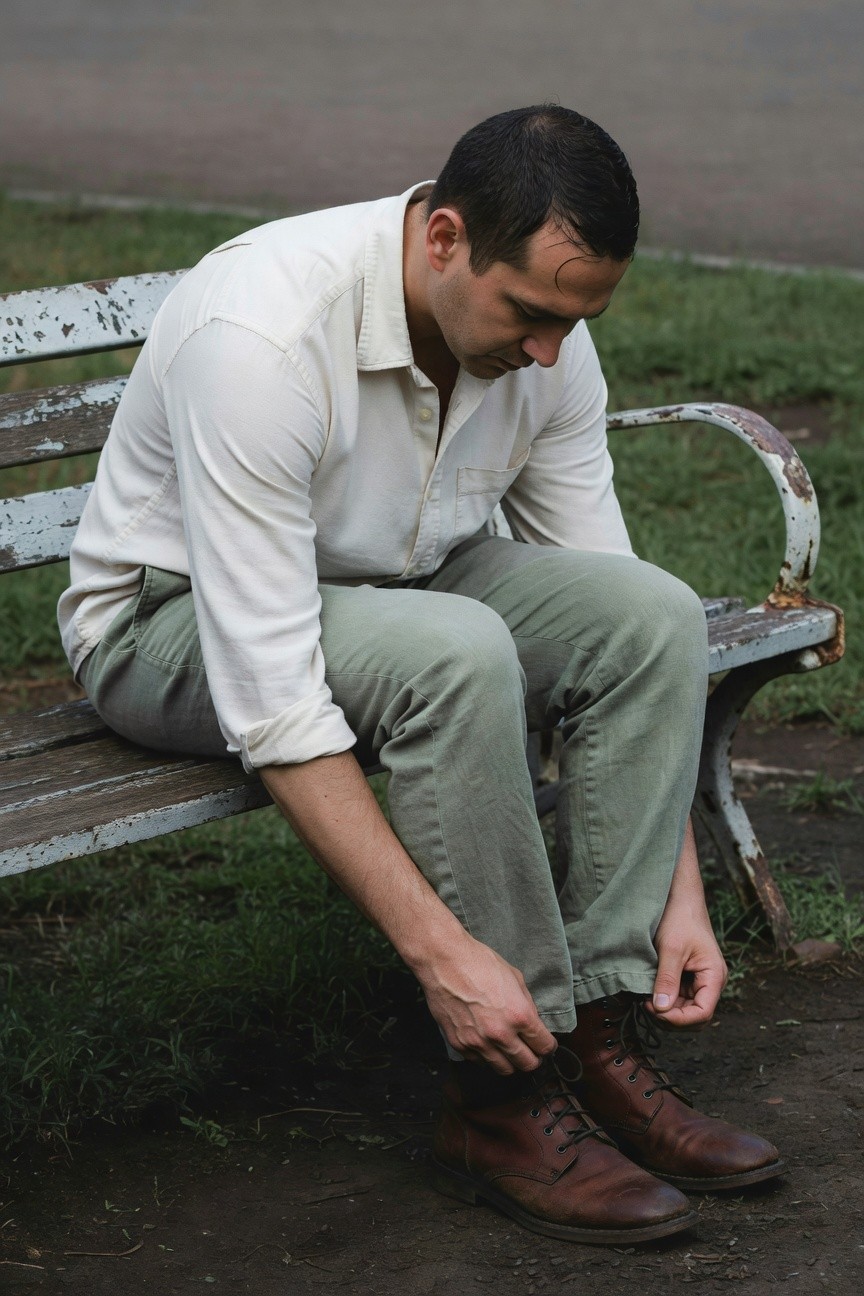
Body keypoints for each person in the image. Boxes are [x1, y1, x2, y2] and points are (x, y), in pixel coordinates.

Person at [58, 105, 783, 1245]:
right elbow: (274, 692)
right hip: (167, 624)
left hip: (400, 587)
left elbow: (606, 587)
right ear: (443, 238)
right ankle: (502, 1098)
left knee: (650, 615)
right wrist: (442, 958)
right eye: (534, 314)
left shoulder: (548, 336)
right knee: (453, 652)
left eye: (578, 318)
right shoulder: (264, 332)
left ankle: (596, 1034)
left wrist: (673, 895)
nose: (551, 351)